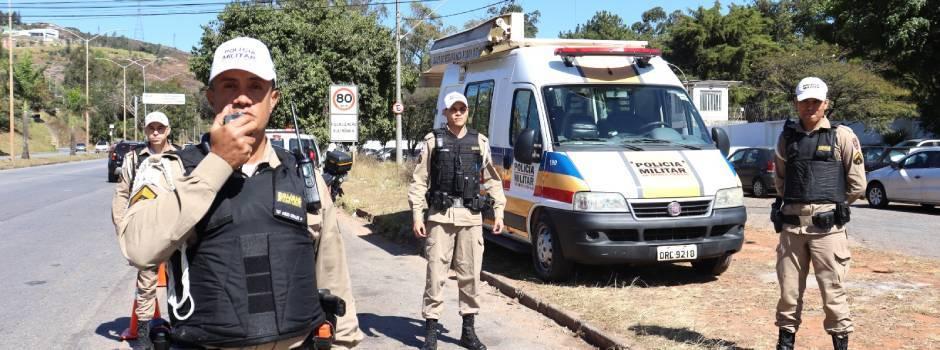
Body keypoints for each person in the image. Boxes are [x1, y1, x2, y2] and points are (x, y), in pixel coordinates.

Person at [115, 36, 362, 349]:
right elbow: (138, 248)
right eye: (230, 85)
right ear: (211, 97)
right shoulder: (170, 170)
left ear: (273, 99)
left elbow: (333, 272)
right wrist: (217, 164)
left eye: (255, 86)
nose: (243, 98)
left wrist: (344, 342)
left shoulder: (304, 177)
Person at [408, 91, 507, 350]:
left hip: (471, 218)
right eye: (454, 109)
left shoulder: (480, 142)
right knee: (435, 274)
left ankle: (468, 331)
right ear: (445, 113)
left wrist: (499, 211)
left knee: (471, 275)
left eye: (462, 108)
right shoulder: (433, 141)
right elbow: (418, 181)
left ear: (467, 112)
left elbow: (493, 180)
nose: (459, 112)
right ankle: (431, 331)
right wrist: (418, 214)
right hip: (440, 218)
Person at [772, 77, 866, 350]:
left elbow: (857, 184)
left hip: (828, 230)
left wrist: (830, 205)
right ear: (796, 104)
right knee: (788, 293)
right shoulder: (786, 137)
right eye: (804, 101)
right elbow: (780, 180)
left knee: (833, 293)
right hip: (792, 228)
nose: (810, 106)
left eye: (816, 101)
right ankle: (785, 344)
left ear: (826, 103)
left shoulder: (842, 135)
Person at [111, 111, 178, 348]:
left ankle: (180, 327)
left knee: (179, 278)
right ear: (146, 130)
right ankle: (142, 335)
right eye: (152, 128)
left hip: (175, 229)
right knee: (146, 283)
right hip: (145, 231)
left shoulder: (179, 156)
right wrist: (121, 226)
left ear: (168, 130)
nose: (156, 132)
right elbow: (122, 193)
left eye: (161, 127)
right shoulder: (134, 159)